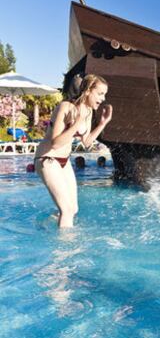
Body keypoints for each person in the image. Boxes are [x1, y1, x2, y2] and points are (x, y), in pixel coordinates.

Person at [35, 74, 112, 227]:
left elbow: (87, 142)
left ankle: (44, 225)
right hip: (47, 159)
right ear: (88, 90)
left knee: (74, 209)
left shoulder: (89, 112)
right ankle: (65, 249)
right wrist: (77, 123)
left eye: (105, 95)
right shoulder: (66, 107)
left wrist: (102, 124)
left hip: (64, 162)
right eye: (100, 93)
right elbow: (55, 143)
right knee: (67, 210)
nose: (103, 99)